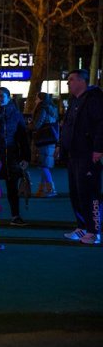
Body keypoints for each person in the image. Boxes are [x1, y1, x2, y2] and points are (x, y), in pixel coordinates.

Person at [60, 69, 103, 245]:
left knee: (89, 192)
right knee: (76, 192)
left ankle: (94, 231)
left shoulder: (94, 99)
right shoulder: (75, 101)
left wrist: (98, 148)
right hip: (74, 154)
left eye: (71, 79)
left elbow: (101, 124)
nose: (68, 83)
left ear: (81, 81)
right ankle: (82, 227)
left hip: (87, 154)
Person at [0, 87, 30, 226]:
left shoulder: (16, 114)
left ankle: (15, 215)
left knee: (12, 188)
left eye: (2, 96)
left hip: (12, 157)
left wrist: (26, 157)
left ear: (8, 97)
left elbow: (22, 137)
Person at [28, 92, 59, 197]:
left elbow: (37, 124)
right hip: (50, 138)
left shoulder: (42, 108)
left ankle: (51, 189)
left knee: (43, 165)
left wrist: (29, 125)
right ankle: (42, 190)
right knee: (44, 164)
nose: (36, 101)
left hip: (43, 139)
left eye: (37, 99)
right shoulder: (52, 108)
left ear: (40, 99)